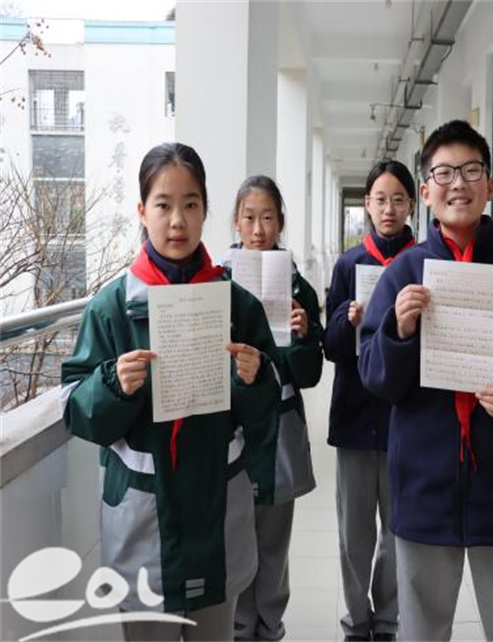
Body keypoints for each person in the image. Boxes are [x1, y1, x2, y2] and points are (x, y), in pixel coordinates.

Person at [358, 120, 493, 641]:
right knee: (422, 625)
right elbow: (374, 374)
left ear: (491, 186)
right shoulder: (404, 272)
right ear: (426, 192)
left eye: (472, 171)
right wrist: (400, 332)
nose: (458, 183)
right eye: (444, 173)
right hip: (425, 479)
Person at [61, 143, 280, 641]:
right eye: (163, 205)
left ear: (205, 211)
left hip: (217, 519)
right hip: (144, 525)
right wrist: (113, 386)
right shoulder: (111, 309)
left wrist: (253, 380)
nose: (177, 220)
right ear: (142, 212)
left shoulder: (238, 306)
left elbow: (266, 412)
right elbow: (76, 408)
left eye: (190, 204)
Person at [224, 175, 323, 642]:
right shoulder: (217, 282)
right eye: (249, 217)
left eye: (267, 217)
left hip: (280, 427)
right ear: (235, 221)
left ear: (281, 221)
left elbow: (310, 374)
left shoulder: (299, 287)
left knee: (274, 540)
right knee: (236, 535)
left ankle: (270, 626)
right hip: (233, 430)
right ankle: (239, 627)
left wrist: (303, 336)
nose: (259, 229)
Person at [323, 160, 417, 641]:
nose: (388, 209)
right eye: (380, 199)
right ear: (366, 205)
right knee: (353, 534)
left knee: (398, 532)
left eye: (398, 199)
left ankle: (387, 620)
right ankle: (356, 621)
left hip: (407, 417)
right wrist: (347, 319)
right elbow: (330, 347)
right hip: (356, 416)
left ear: (412, 205)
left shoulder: (423, 263)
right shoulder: (348, 265)